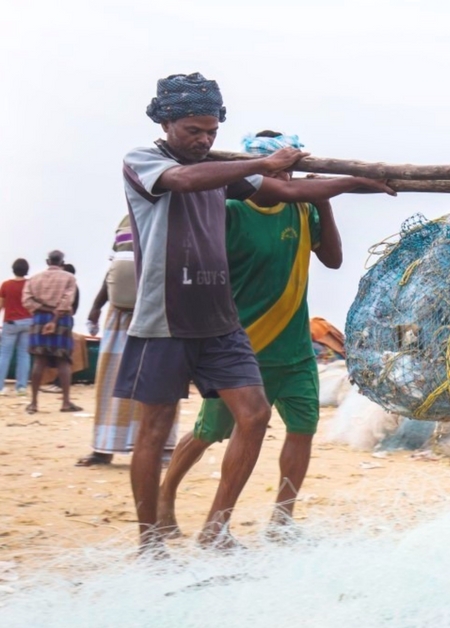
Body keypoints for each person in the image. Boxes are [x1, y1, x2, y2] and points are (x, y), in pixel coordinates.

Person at [118, 73, 395, 555]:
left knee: (254, 414)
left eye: (210, 132)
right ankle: (150, 541)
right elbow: (182, 180)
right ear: (166, 122)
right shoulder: (145, 161)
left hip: (220, 321)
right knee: (156, 428)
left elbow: (287, 194)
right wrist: (263, 163)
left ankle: (217, 528)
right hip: (165, 317)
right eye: (192, 131)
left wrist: (355, 182)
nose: (203, 141)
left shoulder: (228, 174)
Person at [158, 129, 347, 540]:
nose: (289, 182)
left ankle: (281, 520)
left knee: (302, 429)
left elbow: (332, 259)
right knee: (210, 432)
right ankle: (167, 499)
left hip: (296, 349)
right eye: (282, 173)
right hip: (243, 348)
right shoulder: (229, 211)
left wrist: (323, 205)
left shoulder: (301, 211)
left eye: (293, 174)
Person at [77, 217, 179, 467]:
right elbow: (114, 268)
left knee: (159, 380)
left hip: (160, 312)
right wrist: (96, 306)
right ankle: (104, 447)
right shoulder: (125, 221)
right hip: (119, 314)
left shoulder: (178, 213)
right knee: (111, 381)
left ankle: (162, 449)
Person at [21, 250, 80, 414]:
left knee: (39, 361)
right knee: (64, 360)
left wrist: (44, 309)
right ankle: (66, 402)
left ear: (48, 261)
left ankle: (33, 403)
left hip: (39, 319)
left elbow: (26, 300)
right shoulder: (69, 278)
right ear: (62, 262)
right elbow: (67, 300)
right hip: (62, 319)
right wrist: (54, 318)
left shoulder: (34, 279)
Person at [0, 258, 33, 396]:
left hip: (11, 323)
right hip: (27, 322)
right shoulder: (30, 285)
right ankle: (21, 387)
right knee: (24, 355)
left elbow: (1, 304)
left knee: (4, 355)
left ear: (13, 269)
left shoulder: (6, 285)